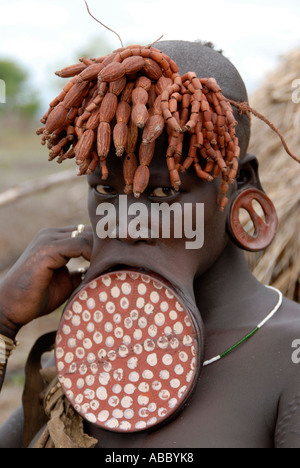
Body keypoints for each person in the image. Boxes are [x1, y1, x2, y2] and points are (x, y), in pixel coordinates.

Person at [0, 40, 299, 449]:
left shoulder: (289, 357)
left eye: (162, 194)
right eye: (105, 188)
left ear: (240, 184)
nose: (127, 222)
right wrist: (2, 321)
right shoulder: (87, 354)